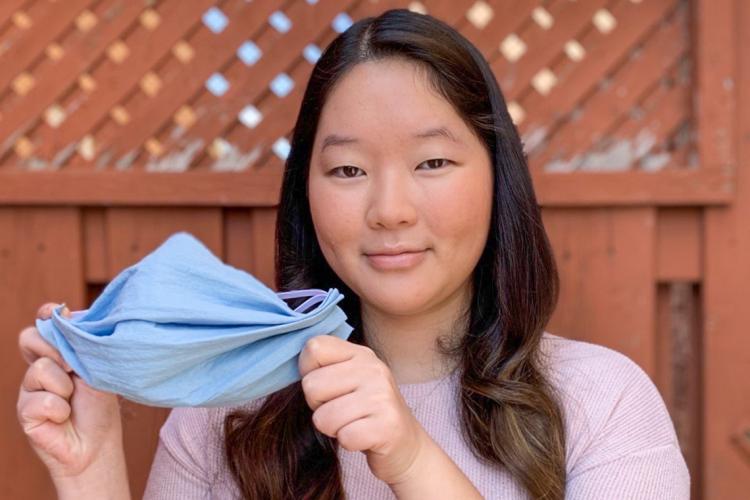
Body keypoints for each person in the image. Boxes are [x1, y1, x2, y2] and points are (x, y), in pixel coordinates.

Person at [16, 8, 689, 500]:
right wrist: (93, 473)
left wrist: (409, 457)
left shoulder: (603, 402)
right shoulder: (224, 412)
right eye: (347, 171)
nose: (389, 209)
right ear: (305, 192)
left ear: (497, 178)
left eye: (432, 161)